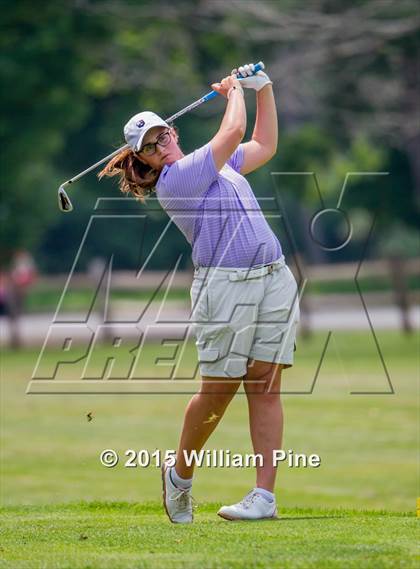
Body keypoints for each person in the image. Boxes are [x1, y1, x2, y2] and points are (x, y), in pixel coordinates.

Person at [99, 63, 300, 523]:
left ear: (171, 130)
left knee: (266, 385)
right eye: (148, 145)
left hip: (272, 276)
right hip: (224, 287)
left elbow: (264, 144)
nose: (158, 143)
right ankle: (179, 474)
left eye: (160, 133)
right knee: (218, 391)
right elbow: (233, 130)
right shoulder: (178, 180)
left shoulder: (216, 164)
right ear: (144, 160)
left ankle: (263, 497)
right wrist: (234, 92)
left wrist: (263, 89)